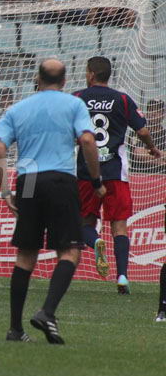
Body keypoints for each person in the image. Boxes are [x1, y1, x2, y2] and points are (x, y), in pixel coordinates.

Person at [0, 59, 105, 344]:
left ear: (37, 79)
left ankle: (15, 329)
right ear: (65, 81)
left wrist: (6, 190)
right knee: (69, 251)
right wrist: (96, 181)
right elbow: (89, 141)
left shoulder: (17, 108)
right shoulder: (74, 104)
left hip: (28, 178)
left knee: (26, 254)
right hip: (60, 179)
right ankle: (47, 312)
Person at [73, 56, 163, 294]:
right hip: (116, 172)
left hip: (86, 172)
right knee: (119, 226)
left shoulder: (78, 98)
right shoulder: (122, 99)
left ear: (91, 74)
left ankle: (95, 242)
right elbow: (142, 129)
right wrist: (152, 147)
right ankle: (122, 276)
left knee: (84, 222)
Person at [130, 99, 166, 173]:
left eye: (158, 111)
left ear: (163, 114)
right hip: (138, 176)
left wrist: (148, 153)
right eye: (151, 110)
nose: (153, 113)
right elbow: (138, 153)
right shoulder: (138, 132)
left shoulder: (164, 134)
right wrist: (162, 161)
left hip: (161, 177)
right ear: (146, 113)